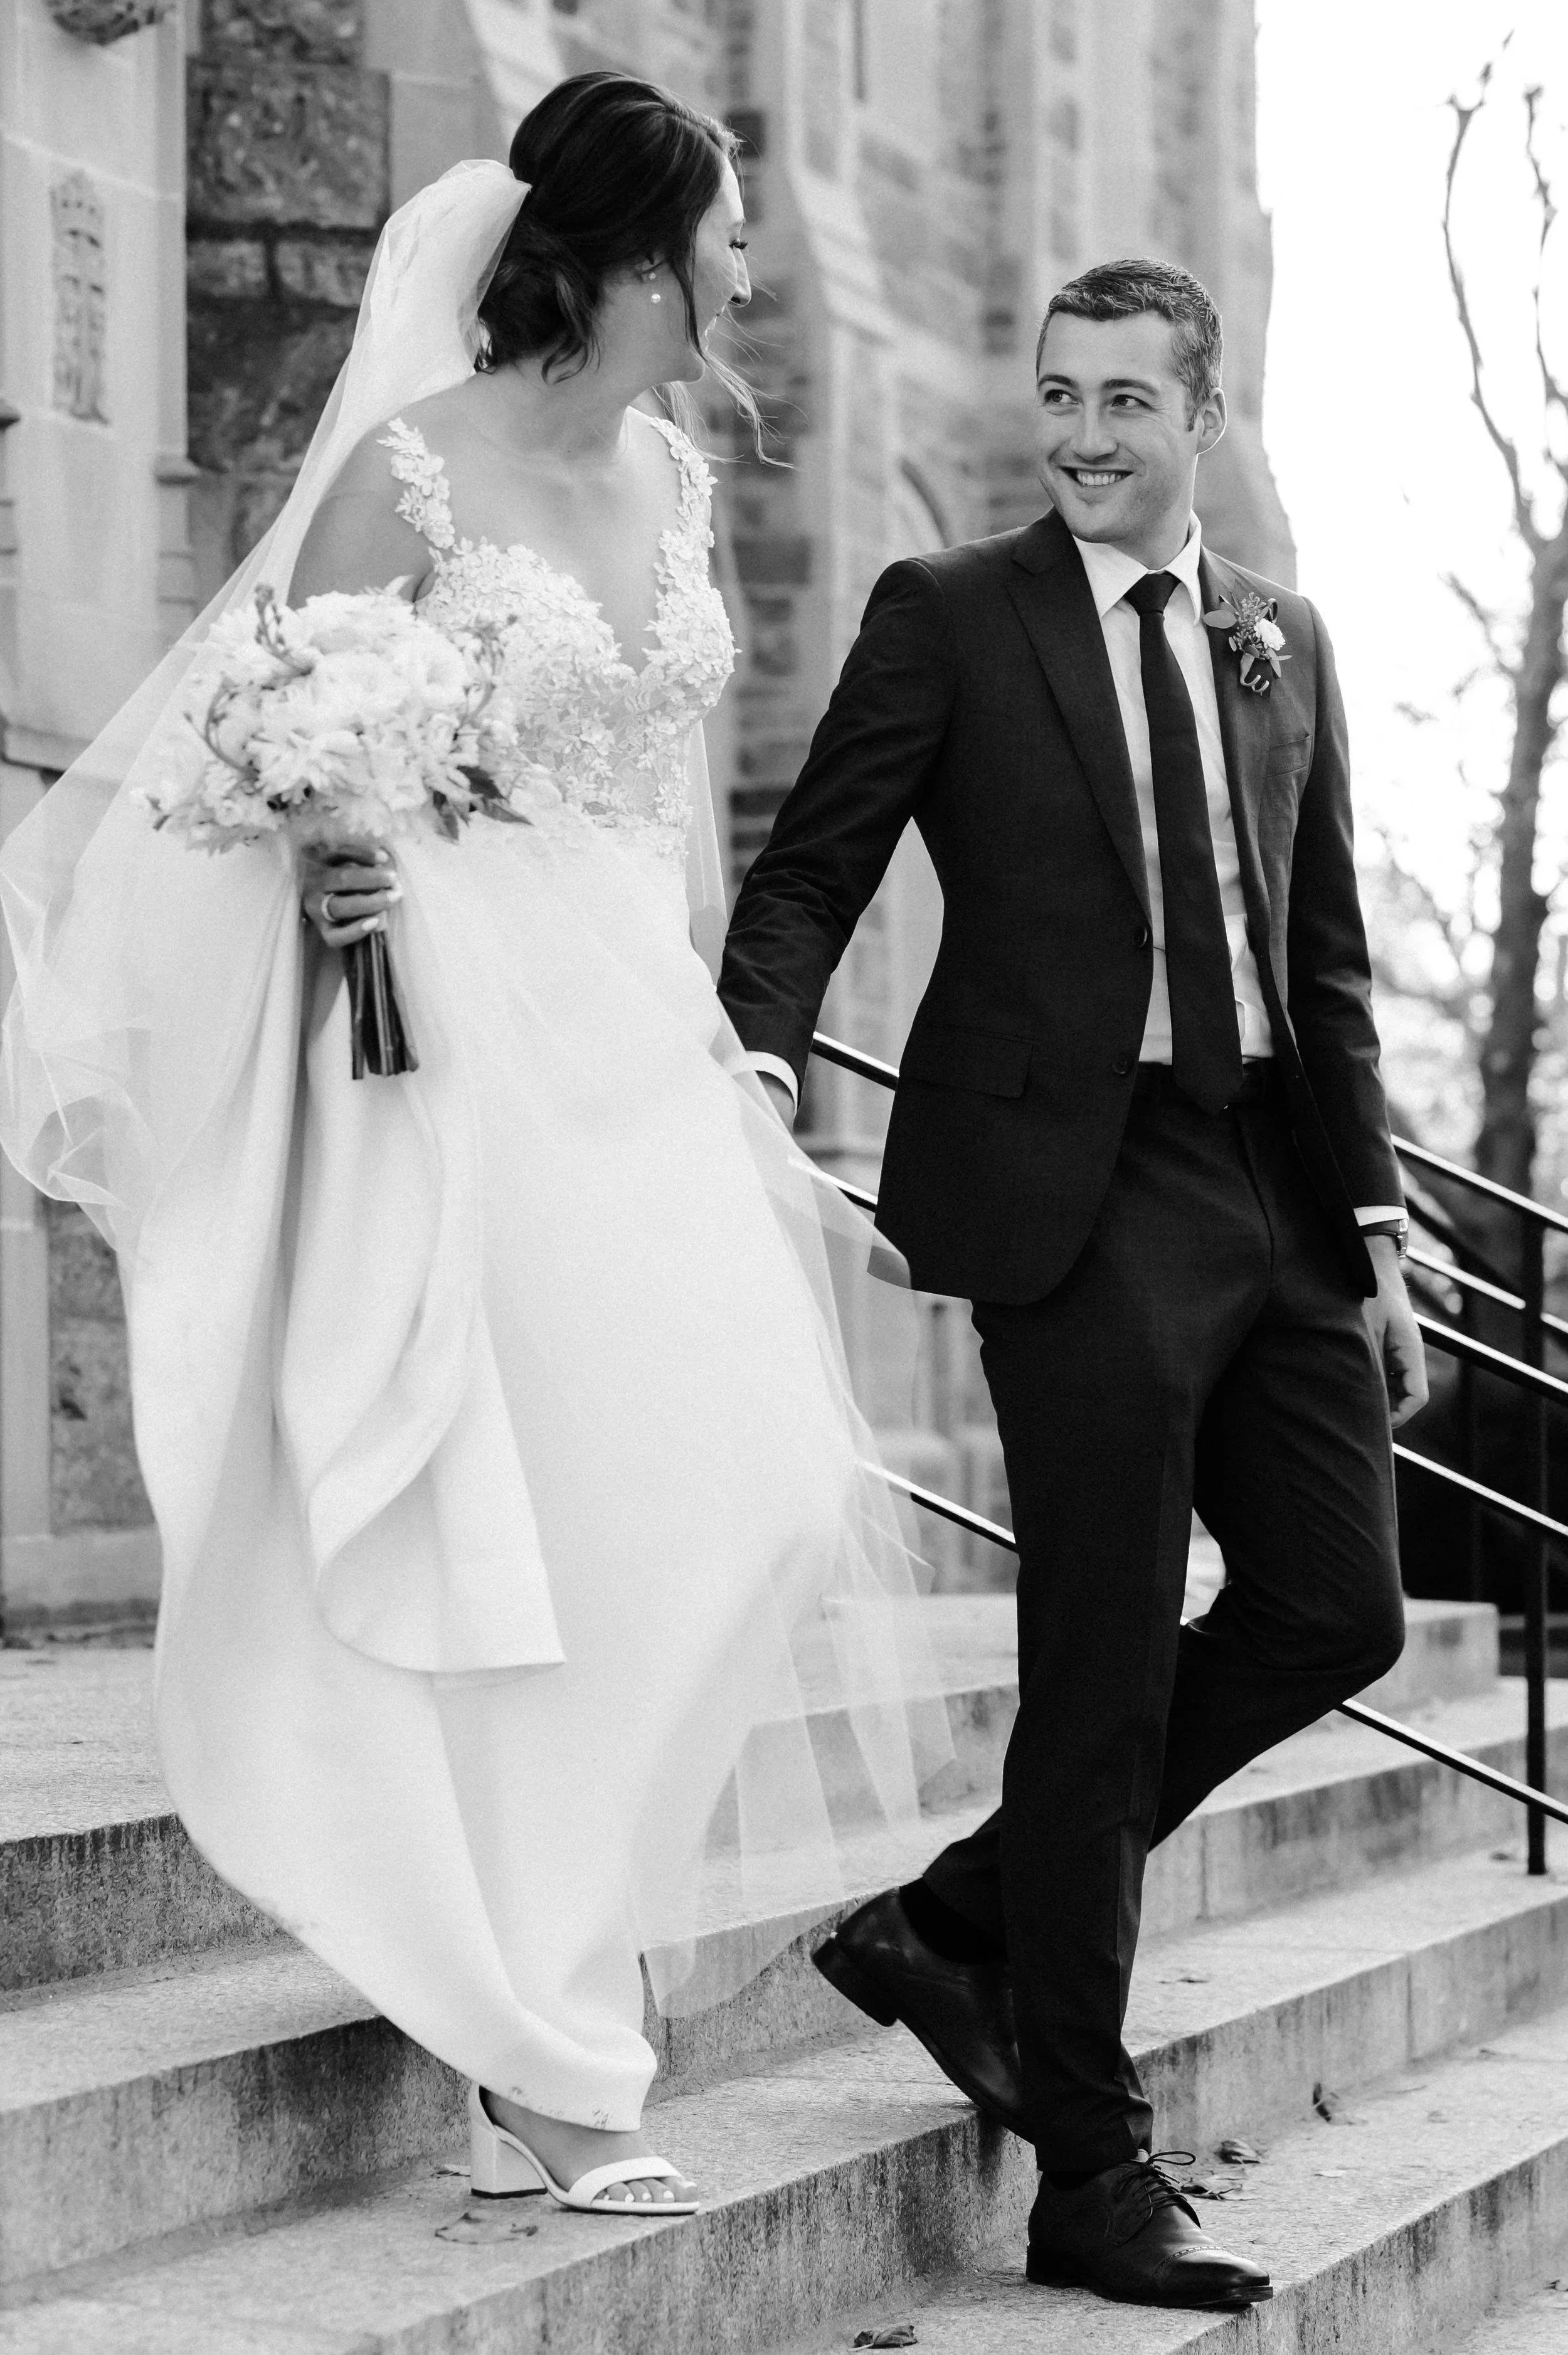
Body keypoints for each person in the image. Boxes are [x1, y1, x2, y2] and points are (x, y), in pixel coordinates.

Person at [0, 75, 947, 2224]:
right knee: (542, 1521)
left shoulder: (675, 473)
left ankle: (549, 1970)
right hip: (455, 1034)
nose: (746, 272)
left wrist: (716, 1038)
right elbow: (255, 744)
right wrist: (340, 849)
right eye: (725, 235)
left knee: (751, 1499)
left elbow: (668, 802)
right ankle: (541, 2041)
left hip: (632, 1027)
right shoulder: (414, 465)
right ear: (632, 252)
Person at [718, 257, 1428, 2309]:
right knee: (1102, 1668)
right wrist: (755, 1052)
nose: (1084, 434)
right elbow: (814, 859)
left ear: (1199, 416)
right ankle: (1088, 2175)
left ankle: (958, 1918)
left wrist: (1377, 1234)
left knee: (1336, 1606)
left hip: (1272, 1182)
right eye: (1059, 394)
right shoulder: (953, 611)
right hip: (1071, 1187)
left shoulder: (1282, 638)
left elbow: (1322, 960)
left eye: (1126, 399)